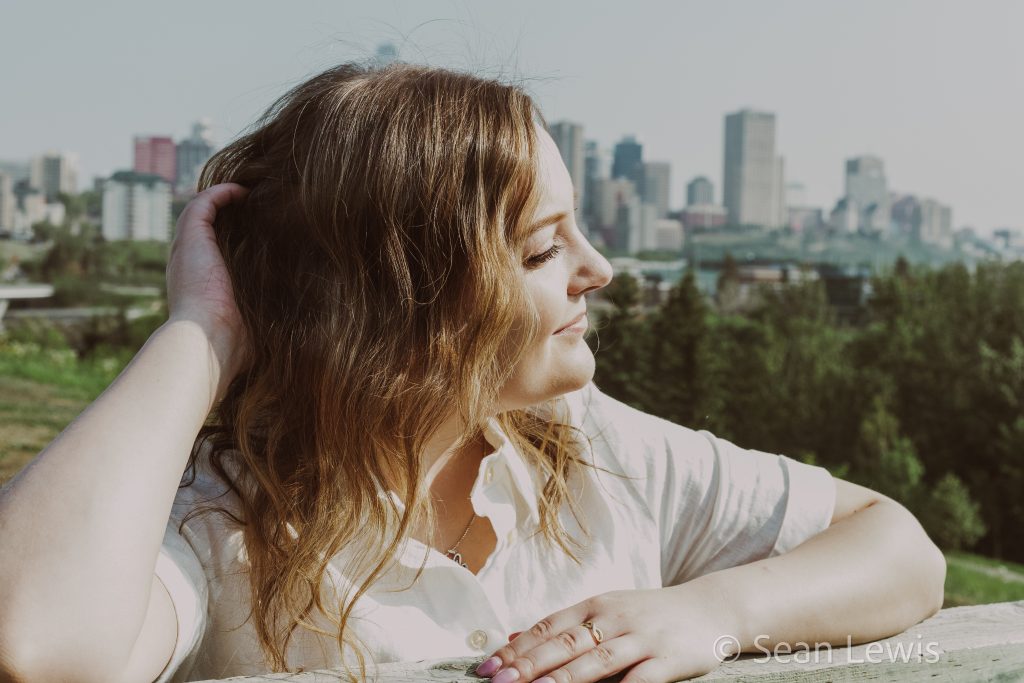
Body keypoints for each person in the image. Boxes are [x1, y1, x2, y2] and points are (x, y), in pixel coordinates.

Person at [0, 61, 946, 683]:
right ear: (401, 302)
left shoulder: (589, 450)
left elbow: (901, 552)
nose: (600, 270)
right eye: (541, 251)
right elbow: (37, 645)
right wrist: (200, 330)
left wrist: (715, 611)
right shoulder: (221, 520)